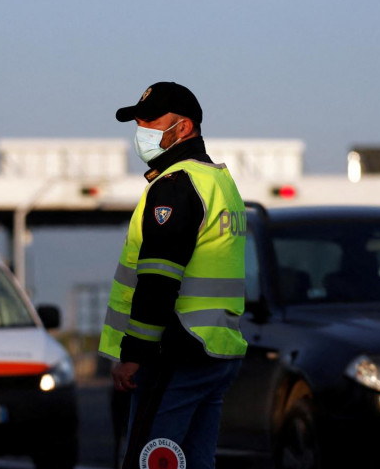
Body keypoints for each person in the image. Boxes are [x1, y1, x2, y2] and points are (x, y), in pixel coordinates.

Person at [99, 82, 247, 469]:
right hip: (214, 349)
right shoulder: (220, 182)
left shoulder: (175, 186)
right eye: (139, 121)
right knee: (197, 462)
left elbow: (159, 278)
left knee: (152, 461)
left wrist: (133, 355)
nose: (142, 130)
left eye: (151, 121)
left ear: (183, 128)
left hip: (175, 353)